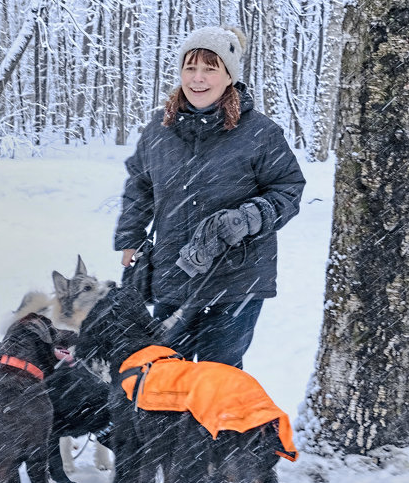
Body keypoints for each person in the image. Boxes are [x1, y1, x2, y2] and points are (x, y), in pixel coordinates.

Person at [114, 25, 306, 368]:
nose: (198, 78)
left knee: (220, 378)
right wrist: (131, 237)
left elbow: (288, 189)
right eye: (191, 68)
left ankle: (217, 425)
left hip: (236, 280)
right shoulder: (160, 129)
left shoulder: (260, 133)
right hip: (174, 273)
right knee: (166, 373)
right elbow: (139, 186)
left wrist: (248, 217)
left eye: (210, 68)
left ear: (229, 77)